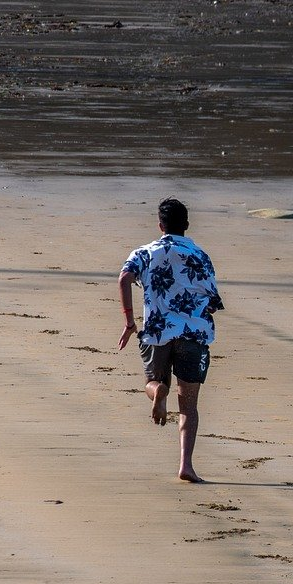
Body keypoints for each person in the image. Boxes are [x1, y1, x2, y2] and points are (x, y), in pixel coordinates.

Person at [117, 198, 223, 483]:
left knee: (151, 383)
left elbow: (124, 278)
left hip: (157, 331)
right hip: (193, 333)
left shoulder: (145, 252)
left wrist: (129, 322)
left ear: (160, 225)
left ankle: (158, 392)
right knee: (188, 405)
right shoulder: (200, 255)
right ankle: (186, 466)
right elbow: (212, 302)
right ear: (186, 225)